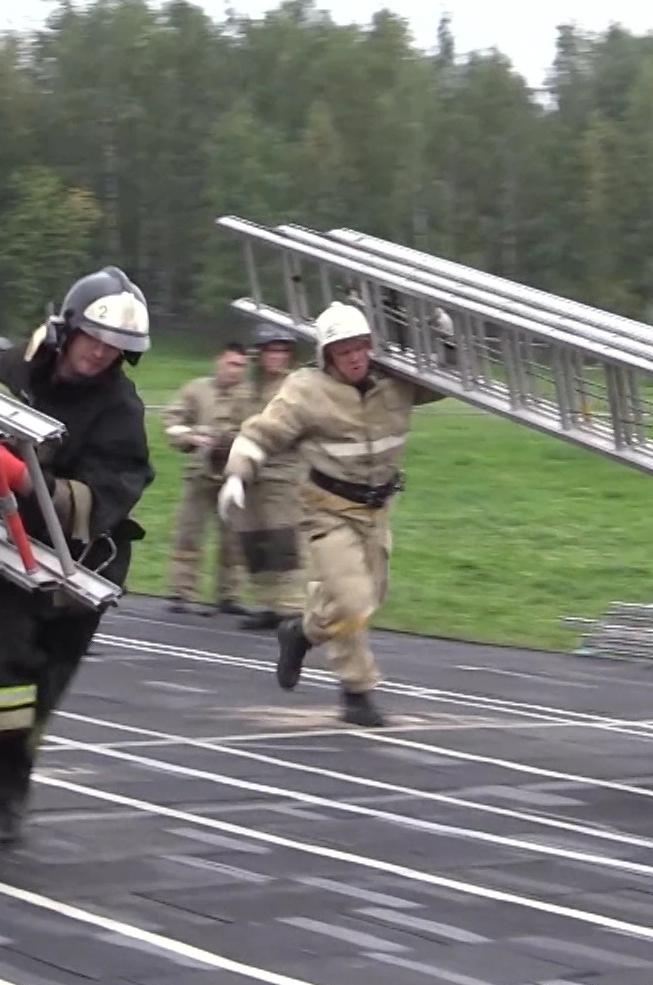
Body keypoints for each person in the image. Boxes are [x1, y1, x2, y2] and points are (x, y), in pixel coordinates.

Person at [0, 266, 155, 851]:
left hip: (79, 573)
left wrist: (24, 478)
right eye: (95, 339)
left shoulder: (121, 412)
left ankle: (9, 791)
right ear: (68, 327)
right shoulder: (6, 370)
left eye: (116, 348)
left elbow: (108, 494)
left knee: (39, 695)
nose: (101, 354)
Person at [218, 298, 454, 728]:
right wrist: (237, 473)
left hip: (377, 509)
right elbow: (263, 432)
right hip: (327, 511)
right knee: (350, 600)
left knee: (369, 598)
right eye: (343, 351)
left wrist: (442, 330)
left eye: (360, 347)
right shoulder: (306, 390)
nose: (354, 358)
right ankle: (357, 691)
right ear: (327, 356)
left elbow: (447, 378)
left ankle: (301, 632)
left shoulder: (396, 381)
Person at [161, 342, 254, 615]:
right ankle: (181, 591)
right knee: (189, 533)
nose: (235, 370)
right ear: (219, 361)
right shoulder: (196, 390)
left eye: (241, 366)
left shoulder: (249, 397)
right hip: (200, 474)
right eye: (231, 363)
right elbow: (171, 420)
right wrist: (191, 436)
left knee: (233, 540)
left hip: (232, 475)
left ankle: (229, 595)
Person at [232, 323, 309, 631]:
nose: (277, 357)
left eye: (282, 351)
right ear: (259, 354)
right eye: (271, 350)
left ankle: (292, 605)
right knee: (254, 541)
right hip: (251, 475)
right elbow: (235, 424)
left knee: (283, 540)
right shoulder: (247, 390)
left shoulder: (294, 388)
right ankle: (267, 603)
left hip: (283, 473)